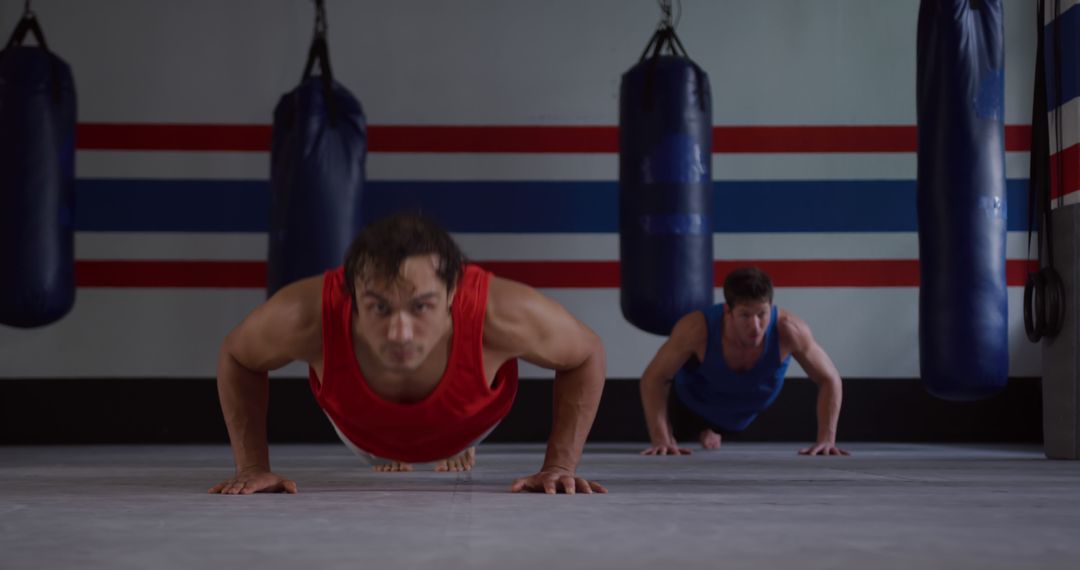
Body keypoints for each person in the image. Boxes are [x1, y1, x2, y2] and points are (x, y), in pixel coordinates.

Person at [209, 213, 607, 495]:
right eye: (380, 308)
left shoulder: (502, 312)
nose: (400, 333)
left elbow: (585, 354)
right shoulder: (307, 313)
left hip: (471, 420)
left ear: (453, 294)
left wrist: (559, 466)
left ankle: (456, 443)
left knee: (454, 433)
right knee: (377, 448)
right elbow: (237, 356)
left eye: (421, 307)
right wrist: (253, 467)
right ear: (351, 297)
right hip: (361, 433)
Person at [638, 267, 848, 456]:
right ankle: (703, 431)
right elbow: (653, 378)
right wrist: (660, 439)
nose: (755, 326)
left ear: (771, 307)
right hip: (691, 410)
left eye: (762, 314)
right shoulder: (696, 328)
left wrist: (827, 440)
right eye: (745, 315)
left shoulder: (790, 330)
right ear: (728, 311)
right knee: (675, 435)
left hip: (746, 417)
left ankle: (713, 433)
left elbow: (830, 379)